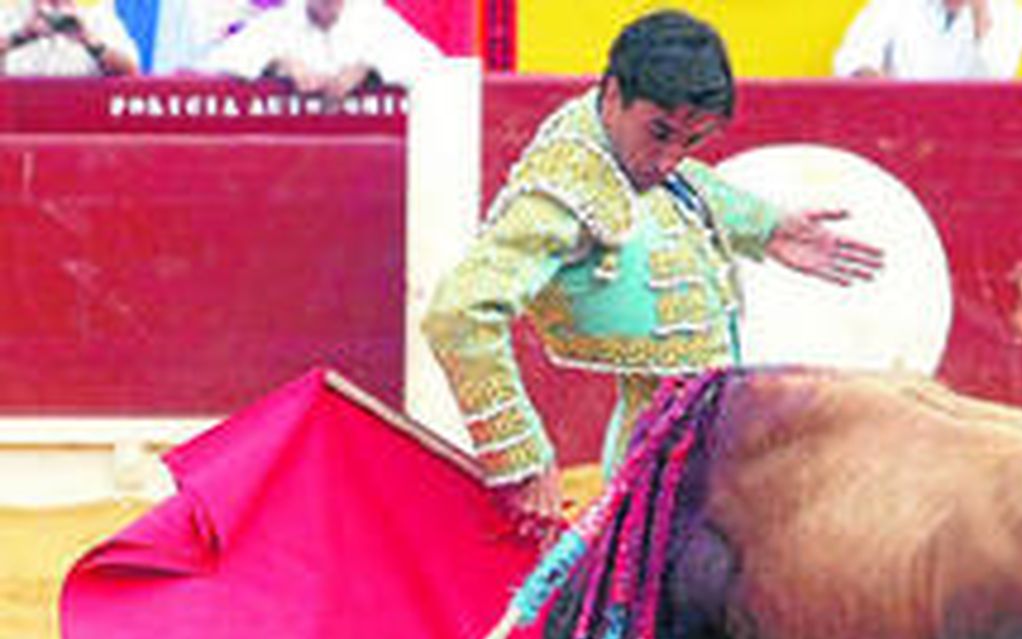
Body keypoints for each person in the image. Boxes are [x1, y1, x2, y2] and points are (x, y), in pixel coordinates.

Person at [423, 10, 883, 540]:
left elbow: (686, 185)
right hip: (654, 461)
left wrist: (768, 227)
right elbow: (458, 314)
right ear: (613, 94)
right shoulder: (565, 189)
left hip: (697, 436)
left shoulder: (623, 148)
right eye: (659, 133)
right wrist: (519, 454)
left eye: (689, 140)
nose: (668, 159)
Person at [196, 0, 441, 98]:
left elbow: (435, 65)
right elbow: (212, 63)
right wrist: (278, 64)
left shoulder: (375, 19)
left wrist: (370, 69)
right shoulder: (279, 22)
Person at [832, 0, 1022, 79]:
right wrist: (876, 85)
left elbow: (999, 76)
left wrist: (981, 14)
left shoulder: (1009, 10)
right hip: (899, 126)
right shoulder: (893, 4)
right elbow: (851, 59)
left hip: (973, 131)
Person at [0, 0, 140, 76]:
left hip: (80, 111)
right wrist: (22, 36)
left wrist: (88, 39)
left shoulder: (95, 10)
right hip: (20, 111)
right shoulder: (10, 8)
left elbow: (131, 69)